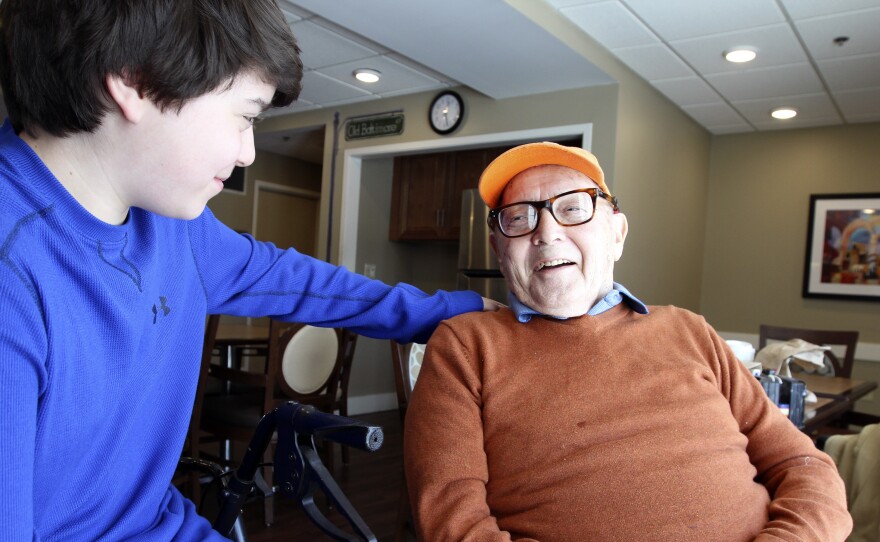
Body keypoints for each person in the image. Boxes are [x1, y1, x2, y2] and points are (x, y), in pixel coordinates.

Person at [0, 1, 501, 540]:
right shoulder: (15, 273)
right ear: (134, 82)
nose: (248, 153)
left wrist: (470, 311)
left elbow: (308, 286)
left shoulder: (177, 228)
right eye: (245, 115)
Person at [404, 142, 852, 541]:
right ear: (500, 252)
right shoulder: (464, 346)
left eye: (573, 208)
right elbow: (451, 517)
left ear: (617, 233)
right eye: (519, 218)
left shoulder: (688, 330)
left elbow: (802, 466)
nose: (546, 232)